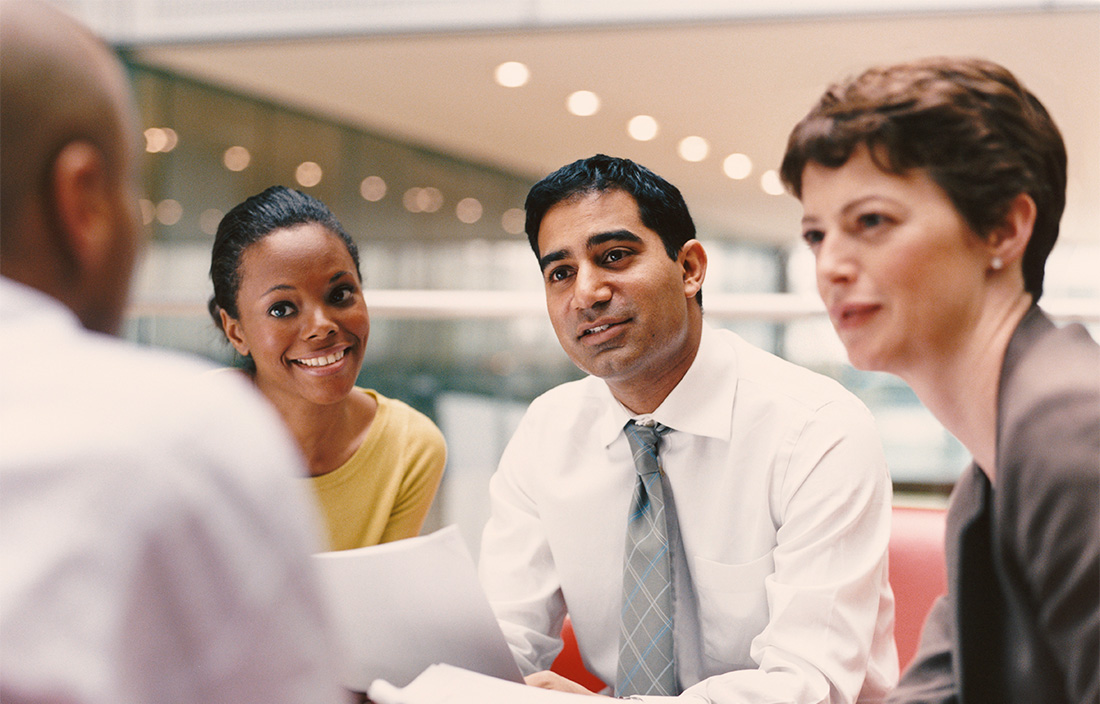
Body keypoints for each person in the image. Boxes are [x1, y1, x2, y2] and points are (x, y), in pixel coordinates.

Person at [0, 2, 349, 702]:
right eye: (135, 190)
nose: (320, 327)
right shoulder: (177, 436)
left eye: (340, 293)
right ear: (85, 199)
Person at [478, 154, 897, 702]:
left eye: (615, 256)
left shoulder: (818, 428)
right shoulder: (547, 430)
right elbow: (501, 639)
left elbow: (807, 684)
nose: (586, 293)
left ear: (690, 269)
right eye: (561, 273)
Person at [780, 57, 1099, 704]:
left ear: (1005, 229)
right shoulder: (990, 469)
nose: (831, 266)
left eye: (871, 222)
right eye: (816, 235)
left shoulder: (1068, 429)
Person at [208, 185, 446, 550]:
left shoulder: (410, 448)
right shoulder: (191, 430)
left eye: (340, 295)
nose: (322, 325)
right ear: (235, 330)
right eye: (282, 309)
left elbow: (381, 598)